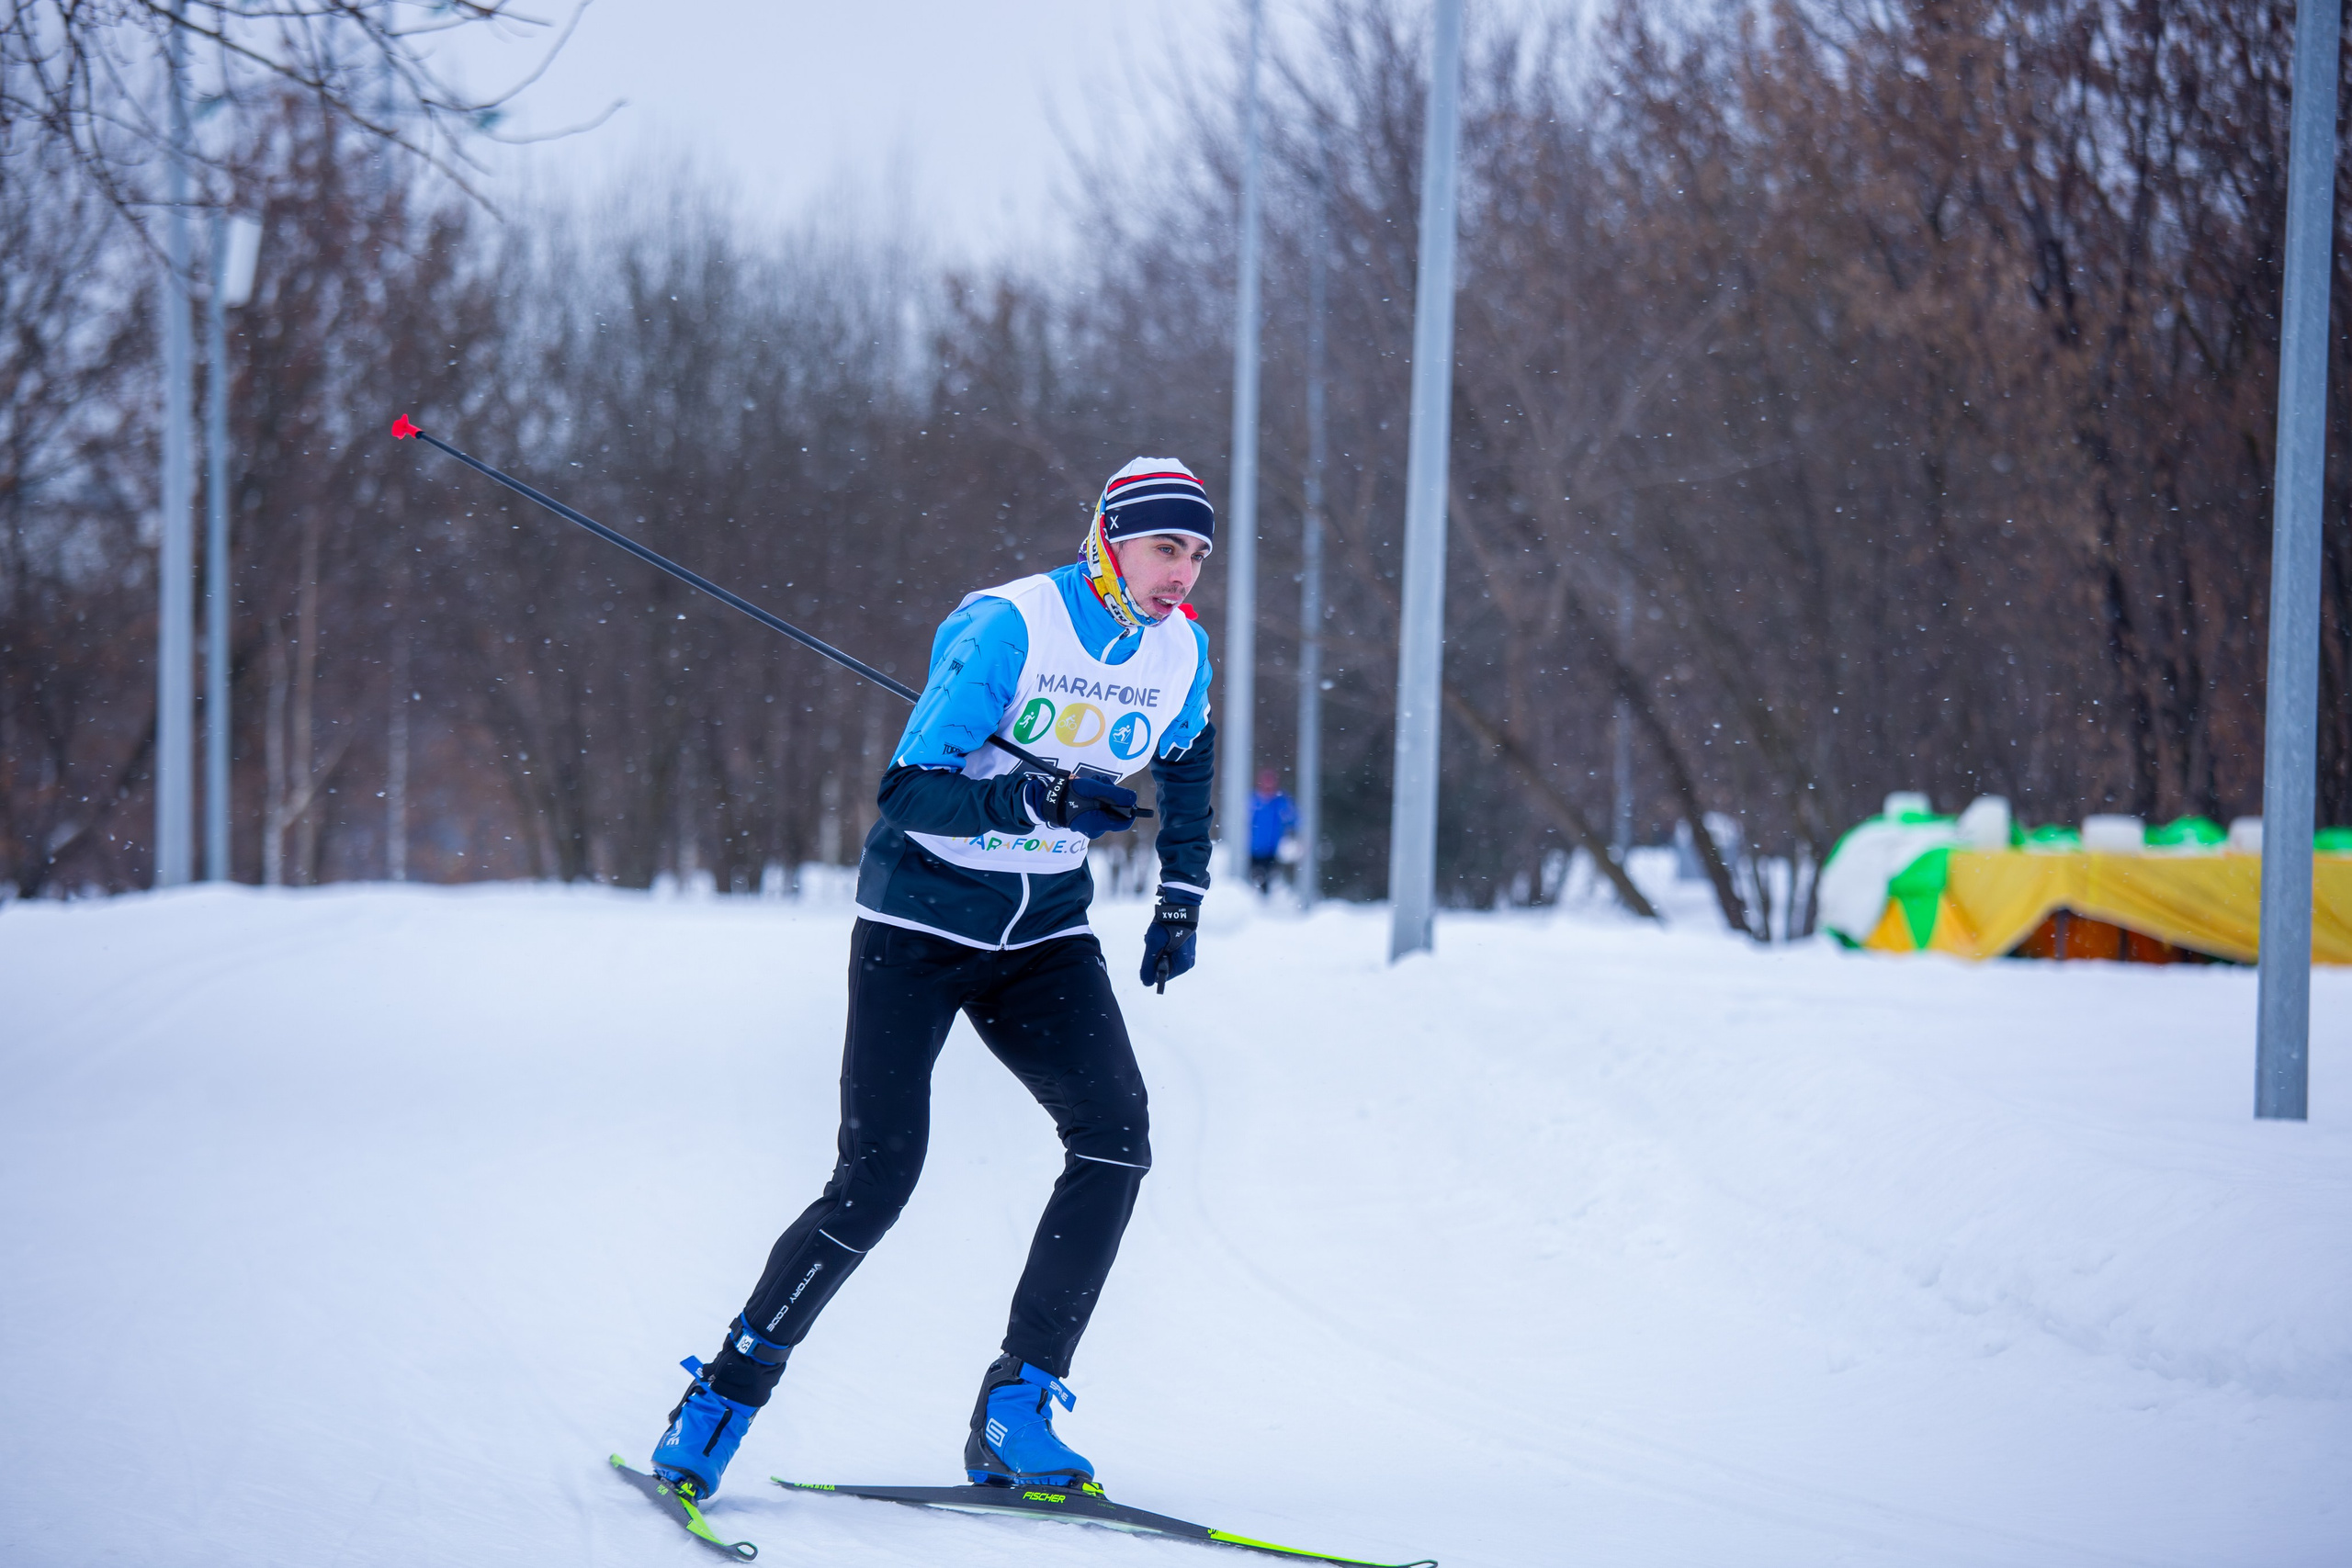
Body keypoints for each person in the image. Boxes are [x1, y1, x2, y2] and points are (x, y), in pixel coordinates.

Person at [648, 457, 1218, 1506]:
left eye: (1195, 552)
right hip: (917, 926)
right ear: (1108, 536)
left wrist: (1181, 889)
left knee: (1115, 1138)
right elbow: (908, 793)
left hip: (1042, 932)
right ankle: (724, 1394)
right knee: (878, 1177)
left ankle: (1017, 1407)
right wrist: (1036, 805)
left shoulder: (1180, 651)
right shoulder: (1014, 627)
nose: (1181, 571)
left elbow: (1187, 756)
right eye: (1162, 546)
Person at [1248, 768, 1296, 894]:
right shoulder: (1254, 801)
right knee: (1255, 876)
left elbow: (1293, 819)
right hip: (1253, 849)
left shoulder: (1280, 802)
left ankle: (1266, 900)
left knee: (1269, 878)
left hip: (1273, 849)